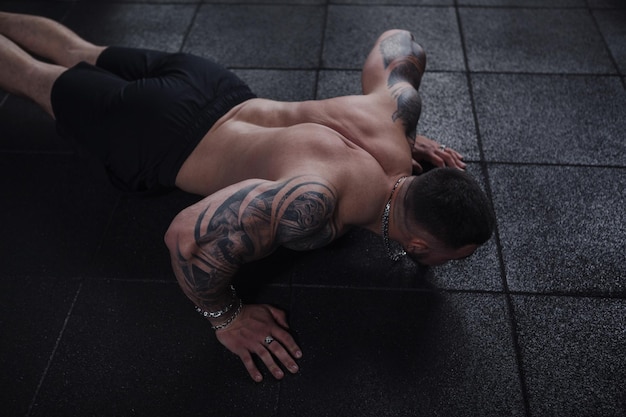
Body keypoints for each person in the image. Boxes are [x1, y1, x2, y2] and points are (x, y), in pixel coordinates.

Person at [0, 11, 495, 382]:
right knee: (30, 78)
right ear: (421, 247)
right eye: (455, 257)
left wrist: (406, 139)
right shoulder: (315, 206)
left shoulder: (396, 113)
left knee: (78, 52)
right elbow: (185, 238)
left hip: (213, 85)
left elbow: (401, 40)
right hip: (154, 135)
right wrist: (225, 315)